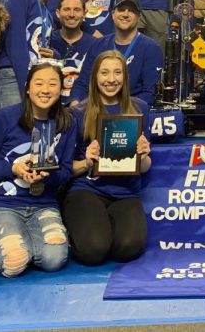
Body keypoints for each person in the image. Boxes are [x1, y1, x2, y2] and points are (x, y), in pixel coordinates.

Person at [0, 62, 77, 277]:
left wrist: (49, 175)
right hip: (4, 203)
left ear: (61, 90)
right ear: (28, 88)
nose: (45, 90)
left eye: (53, 84)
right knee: (14, 263)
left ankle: (19, 241)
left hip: (43, 204)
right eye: (39, 83)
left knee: (53, 260)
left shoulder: (67, 123)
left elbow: (67, 170)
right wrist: (13, 169)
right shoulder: (4, 118)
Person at [63, 51, 152, 265]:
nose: (111, 79)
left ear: (125, 77)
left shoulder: (140, 108)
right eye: (104, 73)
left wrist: (144, 155)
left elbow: (146, 167)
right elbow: (66, 168)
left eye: (117, 72)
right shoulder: (78, 112)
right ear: (95, 76)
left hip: (125, 192)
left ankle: (104, 227)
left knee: (128, 248)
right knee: (93, 252)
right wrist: (87, 161)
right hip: (87, 189)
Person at [0, 0, 66, 111]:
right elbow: (15, 44)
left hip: (32, 77)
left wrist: (54, 55)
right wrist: (26, 84)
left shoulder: (48, 14)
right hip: (12, 75)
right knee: (11, 129)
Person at [71, 0, 163, 106]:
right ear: (113, 14)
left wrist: (116, 109)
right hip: (97, 109)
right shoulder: (99, 45)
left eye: (131, 11)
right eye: (121, 10)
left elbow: (149, 94)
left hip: (131, 113)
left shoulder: (151, 48)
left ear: (139, 16)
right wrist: (75, 106)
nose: (125, 14)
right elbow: (82, 83)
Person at [50, 0, 99, 106]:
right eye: (67, 9)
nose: (71, 15)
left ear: (84, 13)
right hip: (50, 106)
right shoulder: (47, 41)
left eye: (77, 10)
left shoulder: (95, 45)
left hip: (84, 108)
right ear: (58, 13)